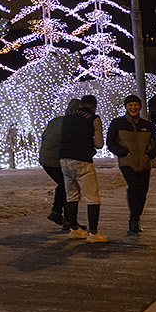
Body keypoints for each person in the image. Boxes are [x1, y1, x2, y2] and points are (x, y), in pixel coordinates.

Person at [107, 93, 156, 234]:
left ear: (140, 106)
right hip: (127, 162)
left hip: (144, 163)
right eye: (130, 105)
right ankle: (134, 219)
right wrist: (123, 153)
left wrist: (148, 155)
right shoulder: (117, 123)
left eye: (136, 105)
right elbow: (110, 142)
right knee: (134, 187)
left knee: (143, 192)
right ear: (126, 107)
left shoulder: (147, 125)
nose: (133, 108)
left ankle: (136, 216)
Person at [59, 94, 107, 242]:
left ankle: (74, 229)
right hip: (82, 160)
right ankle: (93, 233)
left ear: (81, 105)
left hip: (64, 159)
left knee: (71, 195)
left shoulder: (67, 117)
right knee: (92, 197)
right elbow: (99, 144)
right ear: (94, 107)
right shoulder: (93, 118)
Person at [39, 100, 80, 230]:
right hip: (55, 159)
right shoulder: (71, 124)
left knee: (63, 184)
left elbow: (44, 136)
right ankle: (67, 219)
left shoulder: (56, 121)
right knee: (68, 186)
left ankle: (57, 213)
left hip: (46, 159)